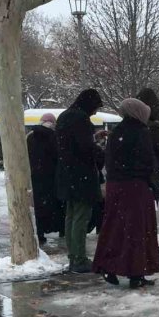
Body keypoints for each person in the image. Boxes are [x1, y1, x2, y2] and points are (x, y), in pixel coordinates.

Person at [92, 98, 159, 289]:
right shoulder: (141, 132)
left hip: (117, 186)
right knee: (138, 230)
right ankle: (136, 272)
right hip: (136, 187)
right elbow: (147, 162)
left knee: (115, 227)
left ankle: (109, 264)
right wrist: (151, 183)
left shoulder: (118, 132)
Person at [57, 89, 105, 273]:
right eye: (95, 108)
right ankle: (79, 258)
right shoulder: (80, 118)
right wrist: (100, 152)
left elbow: (72, 143)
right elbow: (84, 148)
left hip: (67, 173)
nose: (95, 112)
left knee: (71, 215)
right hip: (81, 175)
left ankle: (73, 256)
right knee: (81, 217)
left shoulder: (65, 116)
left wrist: (93, 138)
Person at [26, 113, 65, 245]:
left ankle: (41, 232)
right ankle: (60, 229)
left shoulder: (30, 136)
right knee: (57, 204)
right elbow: (59, 155)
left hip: (36, 175)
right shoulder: (55, 136)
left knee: (39, 205)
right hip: (53, 176)